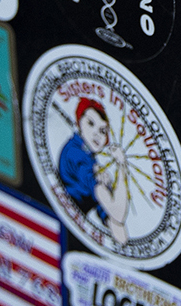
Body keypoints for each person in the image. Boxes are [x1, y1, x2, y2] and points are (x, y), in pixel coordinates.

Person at [56, 98, 131, 246]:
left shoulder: (90, 161)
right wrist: (121, 166)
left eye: (103, 131)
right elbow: (118, 213)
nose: (97, 134)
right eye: (90, 123)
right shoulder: (75, 155)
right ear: (79, 123)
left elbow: (121, 235)